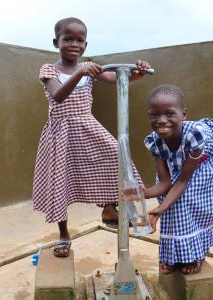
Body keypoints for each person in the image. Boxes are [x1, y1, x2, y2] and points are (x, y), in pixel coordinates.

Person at [32, 17, 150, 257]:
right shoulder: (49, 69)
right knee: (60, 184)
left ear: (85, 45)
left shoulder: (90, 68)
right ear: (57, 42)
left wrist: (137, 74)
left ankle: (109, 207)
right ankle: (64, 235)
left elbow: (117, 80)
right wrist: (80, 72)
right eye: (68, 39)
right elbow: (57, 96)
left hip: (86, 125)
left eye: (80, 40)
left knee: (117, 154)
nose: (74, 44)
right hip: (60, 132)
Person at [130, 84, 213, 274]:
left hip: (209, 161)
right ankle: (174, 255)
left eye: (170, 114)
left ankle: (196, 254)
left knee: (189, 201)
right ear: (149, 115)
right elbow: (165, 183)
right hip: (181, 164)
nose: (161, 121)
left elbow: (182, 182)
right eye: (155, 114)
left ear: (184, 114)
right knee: (169, 201)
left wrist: (158, 212)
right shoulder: (154, 140)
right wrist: (142, 193)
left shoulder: (194, 136)